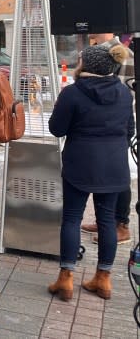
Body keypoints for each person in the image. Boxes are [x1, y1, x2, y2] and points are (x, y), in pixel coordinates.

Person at [47, 43, 133, 302]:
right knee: (107, 219)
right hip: (114, 164)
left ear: (86, 65)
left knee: (72, 218)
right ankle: (103, 279)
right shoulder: (123, 93)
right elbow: (129, 130)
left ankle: (66, 278)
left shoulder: (73, 93)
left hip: (79, 163)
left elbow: (56, 129)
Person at [81, 32, 134, 245]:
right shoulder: (96, 50)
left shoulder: (124, 54)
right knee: (100, 174)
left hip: (115, 125)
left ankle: (121, 224)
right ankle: (105, 219)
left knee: (117, 174)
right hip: (100, 125)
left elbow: (127, 91)